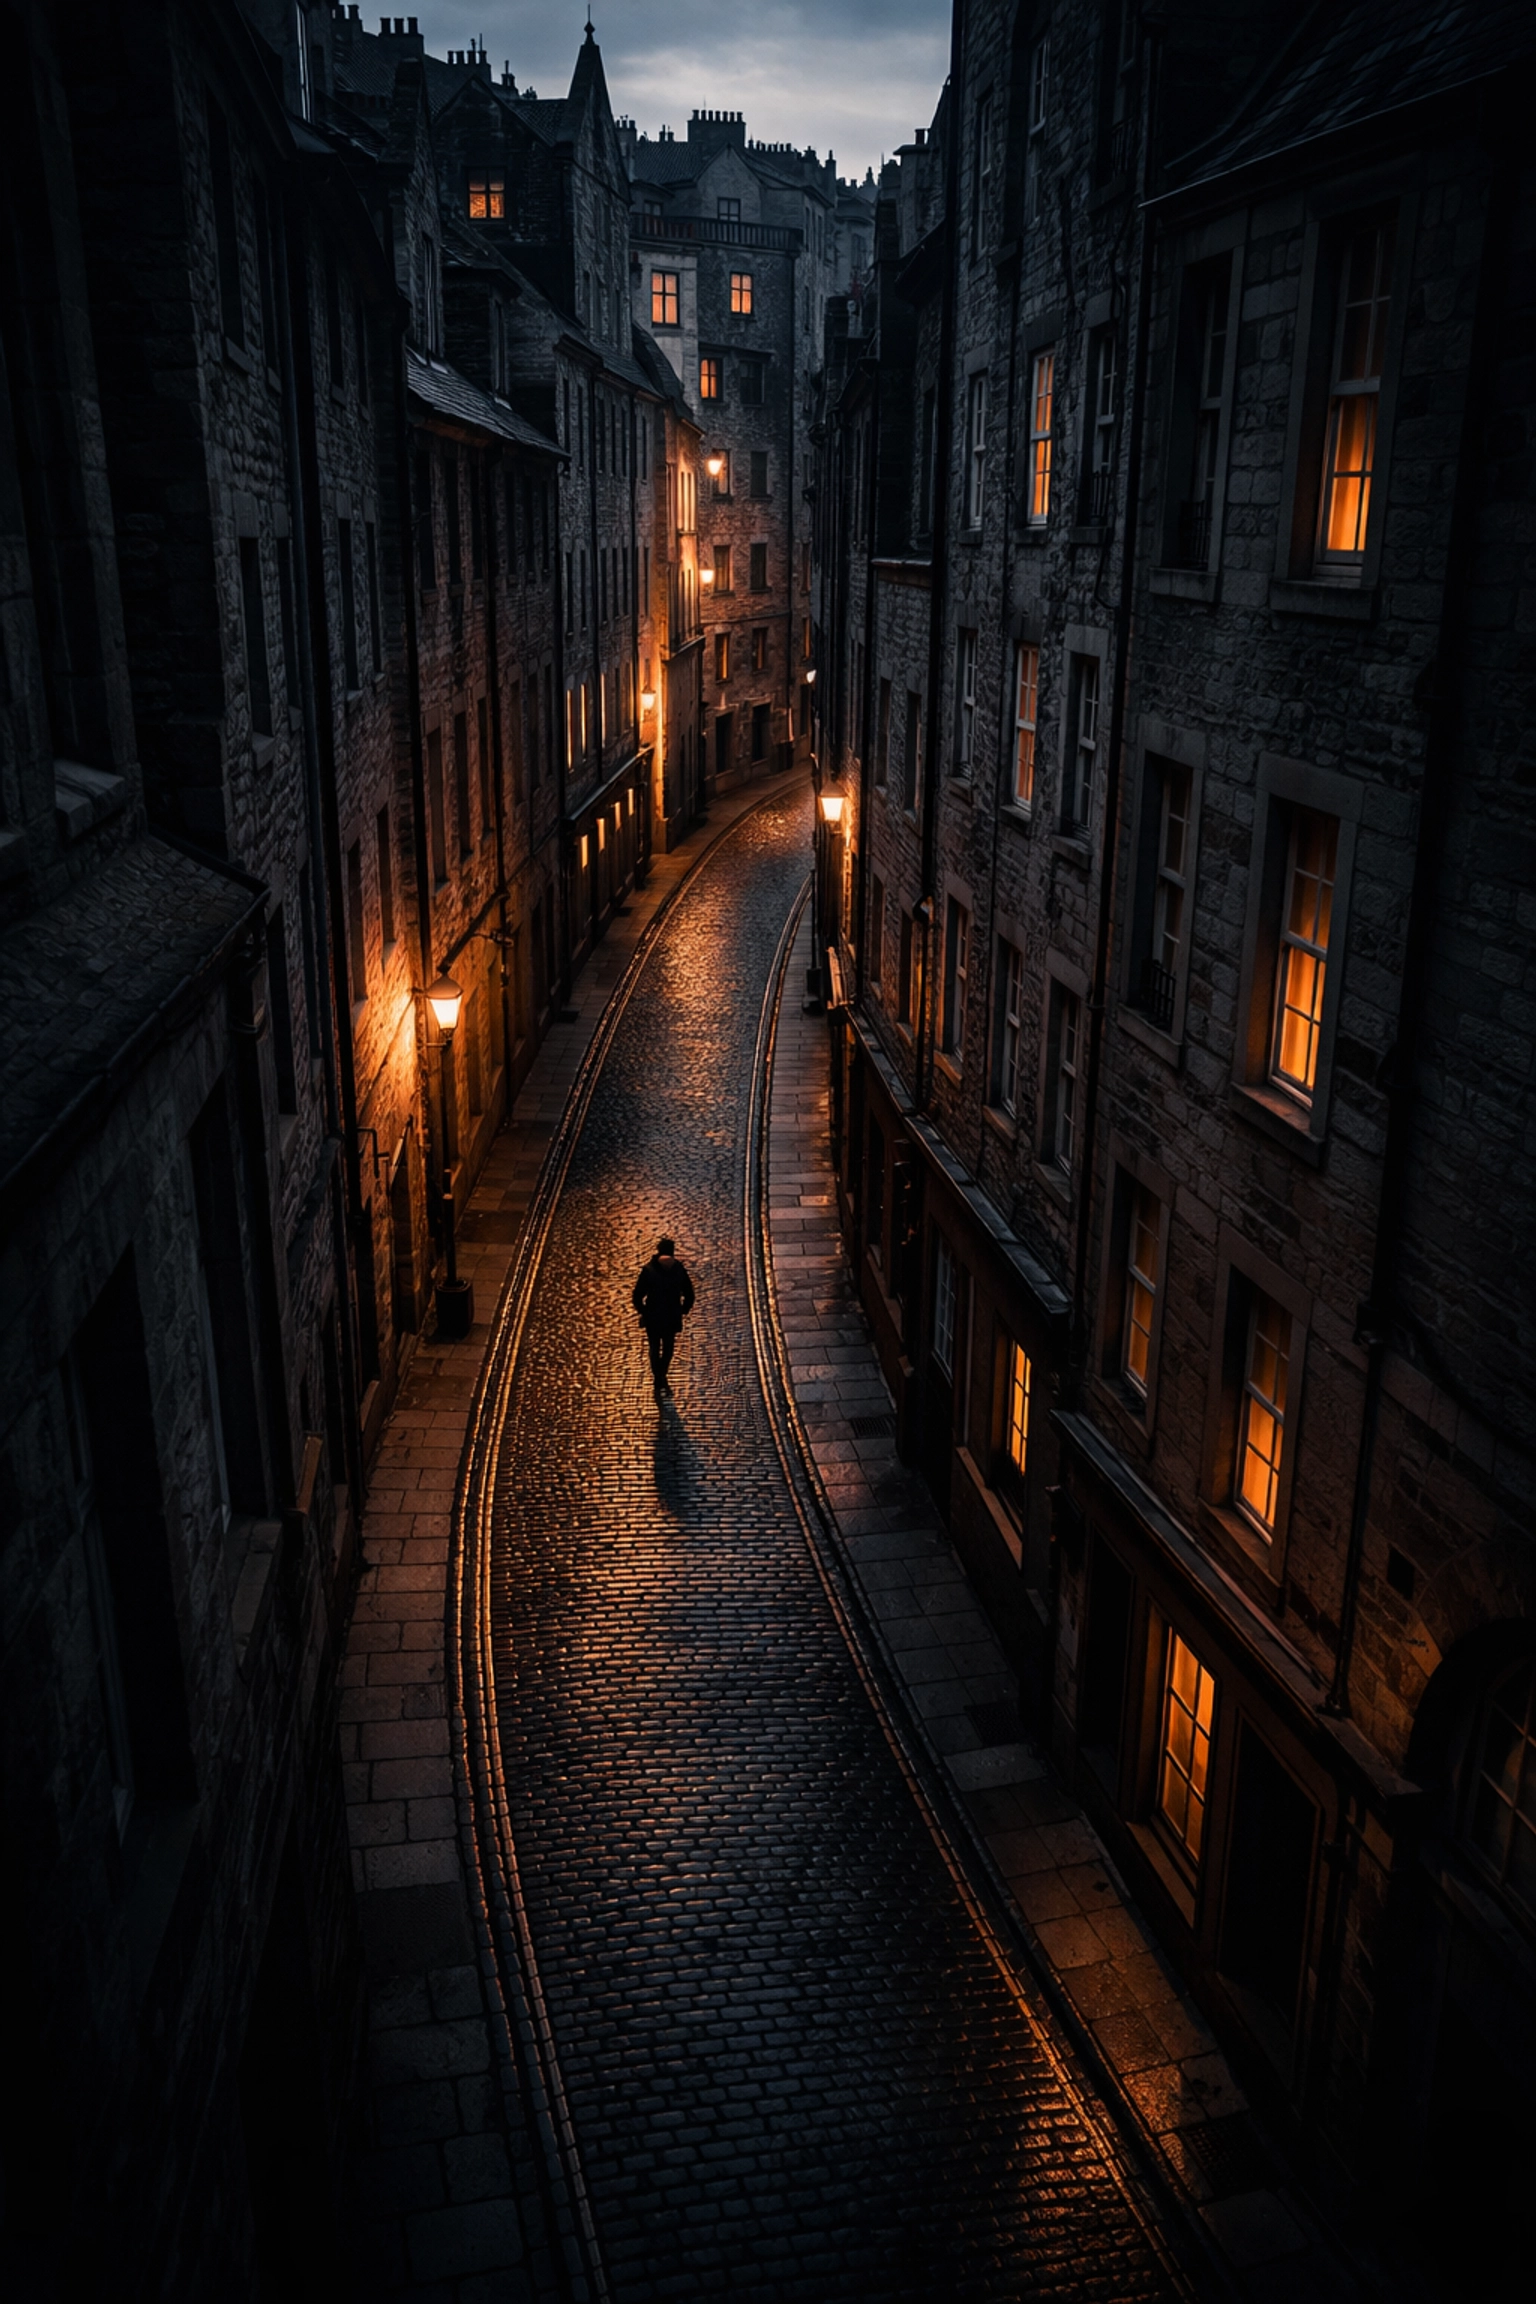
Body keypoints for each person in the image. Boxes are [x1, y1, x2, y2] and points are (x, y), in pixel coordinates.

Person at [631, 1236, 695, 1396]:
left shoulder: (648, 1270)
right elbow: (689, 1293)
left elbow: (637, 1295)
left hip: (653, 1316)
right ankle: (662, 1375)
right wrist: (683, 1309)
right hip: (671, 1315)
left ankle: (658, 1377)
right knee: (668, 1348)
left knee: (654, 1347)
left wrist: (643, 1311)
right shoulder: (679, 1269)